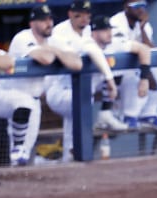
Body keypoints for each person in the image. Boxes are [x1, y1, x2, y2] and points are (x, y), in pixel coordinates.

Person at [0, 5, 84, 167]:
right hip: (6, 95)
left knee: (22, 155)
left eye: (50, 19)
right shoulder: (22, 38)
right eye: (43, 20)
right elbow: (46, 59)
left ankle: (16, 175)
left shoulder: (54, 40)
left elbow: (77, 63)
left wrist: (53, 49)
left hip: (32, 102)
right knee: (23, 104)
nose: (48, 23)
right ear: (32, 23)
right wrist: (55, 52)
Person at [45, 7, 122, 161]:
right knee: (82, 104)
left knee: (74, 122)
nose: (84, 18)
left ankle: (70, 157)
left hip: (77, 91)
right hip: (60, 91)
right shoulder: (71, 36)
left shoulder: (97, 37)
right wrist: (110, 80)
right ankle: (77, 152)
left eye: (87, 14)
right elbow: (91, 50)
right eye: (79, 14)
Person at [109, 0, 157, 130]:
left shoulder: (145, 25)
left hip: (137, 68)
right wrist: (148, 74)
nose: (141, 10)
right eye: (136, 7)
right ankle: (128, 115)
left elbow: (151, 50)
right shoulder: (116, 22)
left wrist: (143, 28)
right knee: (135, 69)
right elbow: (127, 52)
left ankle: (148, 113)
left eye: (143, 6)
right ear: (126, 7)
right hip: (112, 74)